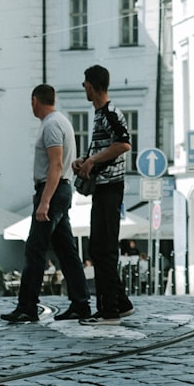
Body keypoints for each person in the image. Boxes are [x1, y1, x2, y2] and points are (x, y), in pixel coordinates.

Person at [1, 84, 91, 323]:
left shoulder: (51, 125)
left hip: (52, 189)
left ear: (34, 100)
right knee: (66, 250)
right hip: (60, 189)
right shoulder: (60, 121)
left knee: (35, 248)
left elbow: (56, 165)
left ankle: (27, 306)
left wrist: (45, 202)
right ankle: (80, 304)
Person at [72, 64, 134, 325]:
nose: (83, 87)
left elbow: (123, 143)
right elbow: (105, 148)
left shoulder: (110, 113)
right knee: (99, 247)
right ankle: (121, 303)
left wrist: (93, 160)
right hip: (103, 187)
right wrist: (85, 161)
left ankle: (109, 310)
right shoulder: (100, 115)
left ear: (93, 85)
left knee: (103, 248)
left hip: (110, 187)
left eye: (85, 83)